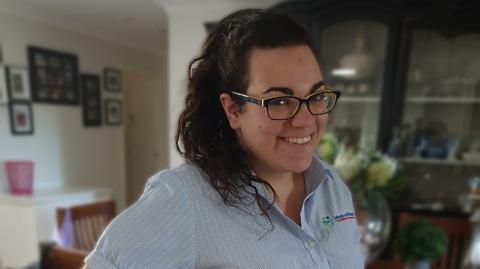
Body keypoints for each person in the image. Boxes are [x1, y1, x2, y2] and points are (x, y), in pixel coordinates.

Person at [83, 9, 364, 269]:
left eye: (316, 96)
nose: (305, 120)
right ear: (233, 109)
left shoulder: (330, 185)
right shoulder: (187, 198)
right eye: (279, 101)